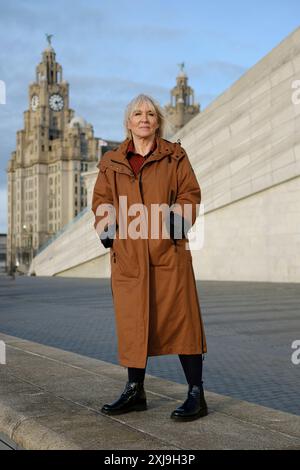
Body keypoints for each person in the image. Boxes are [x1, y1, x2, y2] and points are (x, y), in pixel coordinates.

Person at [92, 94, 208, 421]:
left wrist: (175, 224)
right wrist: (109, 228)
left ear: (157, 121)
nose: (144, 118)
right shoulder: (111, 162)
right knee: (133, 321)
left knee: (183, 321)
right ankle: (135, 390)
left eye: (150, 114)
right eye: (138, 114)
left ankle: (196, 393)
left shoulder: (175, 157)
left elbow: (189, 193)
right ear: (128, 122)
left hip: (168, 254)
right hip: (129, 257)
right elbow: (101, 200)